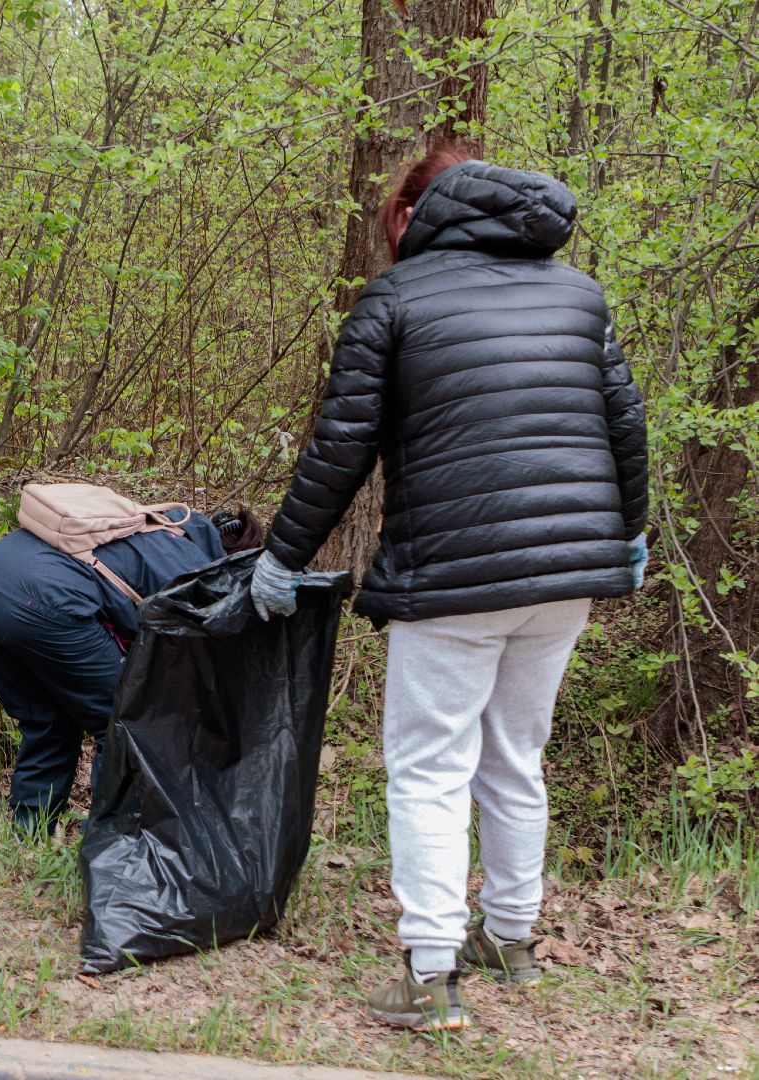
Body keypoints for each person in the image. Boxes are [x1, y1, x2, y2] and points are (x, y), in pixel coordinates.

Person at [250, 150, 649, 1030]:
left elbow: (339, 446)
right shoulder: (577, 293)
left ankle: (430, 975)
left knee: (430, 767)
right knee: (515, 755)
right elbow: (625, 421)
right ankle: (510, 939)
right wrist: (630, 533)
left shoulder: (398, 298)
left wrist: (281, 555)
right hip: (570, 572)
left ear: (410, 213)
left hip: (455, 572)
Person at [0, 503, 258, 834]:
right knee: (123, 723)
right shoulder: (195, 567)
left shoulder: (144, 527)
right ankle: (107, 845)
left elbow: (41, 571)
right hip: (43, 604)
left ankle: (28, 838)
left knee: (47, 723)